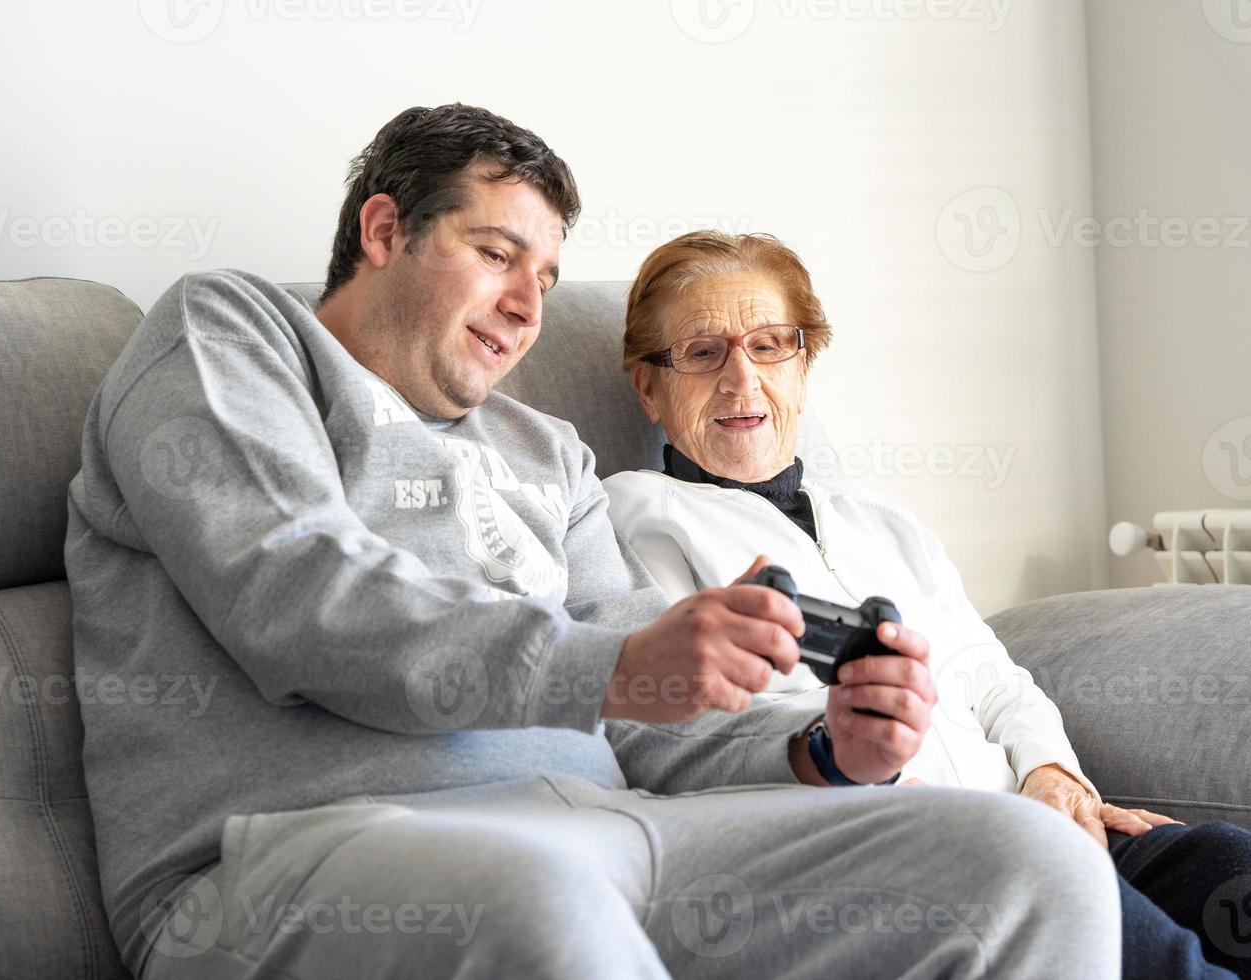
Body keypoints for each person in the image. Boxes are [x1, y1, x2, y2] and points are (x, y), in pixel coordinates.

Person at [65, 104, 1123, 979]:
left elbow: (653, 725)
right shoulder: (228, 334)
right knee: (540, 890)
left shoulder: (551, 453)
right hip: (288, 856)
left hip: (608, 831)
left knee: (1025, 859)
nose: (529, 307)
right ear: (384, 230)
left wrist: (818, 750)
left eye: (549, 279)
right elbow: (296, 598)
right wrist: (617, 662)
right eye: (497, 255)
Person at [603, 229, 1251, 980]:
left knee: (1225, 863)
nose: (741, 378)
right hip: (919, 859)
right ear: (649, 388)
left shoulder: (883, 519)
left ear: (804, 366)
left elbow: (993, 676)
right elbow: (692, 730)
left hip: (1031, 820)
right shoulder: (639, 517)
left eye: (770, 344)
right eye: (701, 352)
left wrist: (1053, 775)